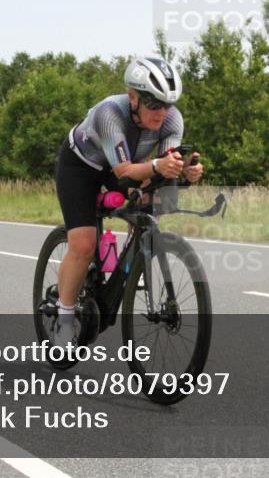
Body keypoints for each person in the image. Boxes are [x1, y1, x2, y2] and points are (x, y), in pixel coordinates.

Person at [53, 55, 203, 347]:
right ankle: (65, 318)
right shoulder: (110, 113)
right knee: (84, 244)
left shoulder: (172, 120)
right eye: (154, 104)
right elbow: (123, 172)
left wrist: (185, 171)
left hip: (123, 165)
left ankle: (124, 264)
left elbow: (163, 167)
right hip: (80, 168)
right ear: (133, 98)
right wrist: (159, 167)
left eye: (167, 104)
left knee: (152, 204)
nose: (161, 113)